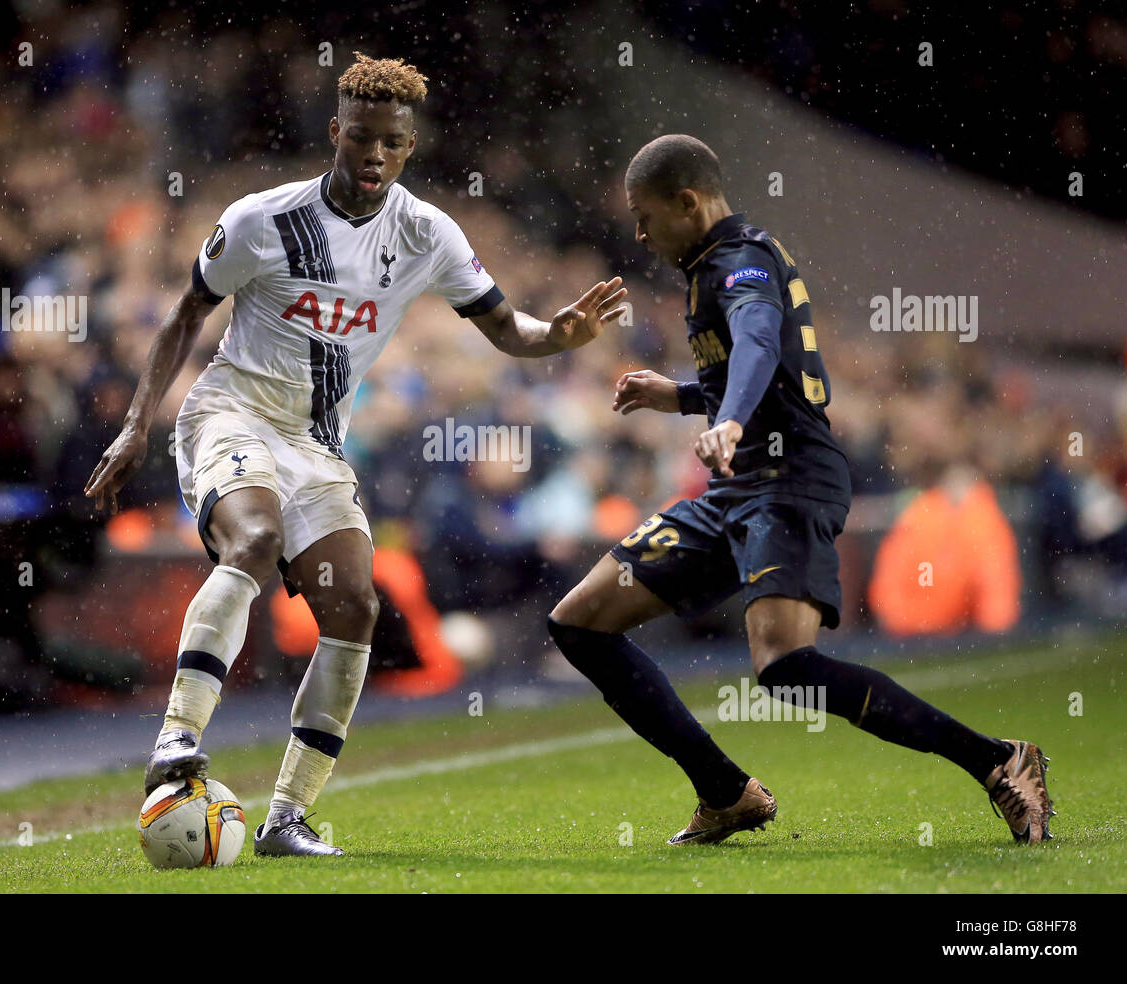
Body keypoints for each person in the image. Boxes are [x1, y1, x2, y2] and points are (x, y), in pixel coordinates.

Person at [84, 53, 626, 857]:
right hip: (232, 412)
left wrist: (559, 337)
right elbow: (185, 312)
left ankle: (285, 819)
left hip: (315, 443)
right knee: (256, 542)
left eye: (393, 144)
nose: (375, 156)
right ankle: (174, 742)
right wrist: (136, 425)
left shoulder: (428, 233)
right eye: (362, 138)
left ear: (410, 147)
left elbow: (508, 327)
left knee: (355, 608)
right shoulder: (263, 218)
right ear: (335, 133)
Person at [547, 134, 1053, 846]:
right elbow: (769, 369)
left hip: (789, 481)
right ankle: (724, 791)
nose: (638, 232)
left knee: (787, 666)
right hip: (737, 487)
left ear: (688, 202)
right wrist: (684, 396)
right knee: (579, 622)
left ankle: (999, 760)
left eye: (645, 214)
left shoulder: (740, 261)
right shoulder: (712, 264)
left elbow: (757, 341)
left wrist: (723, 418)